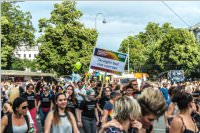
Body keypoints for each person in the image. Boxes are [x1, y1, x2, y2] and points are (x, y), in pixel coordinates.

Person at [100, 87, 167, 133]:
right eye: (150, 119)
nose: (152, 123)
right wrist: (102, 129)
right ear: (139, 113)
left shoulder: (148, 127)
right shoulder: (119, 127)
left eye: (154, 120)